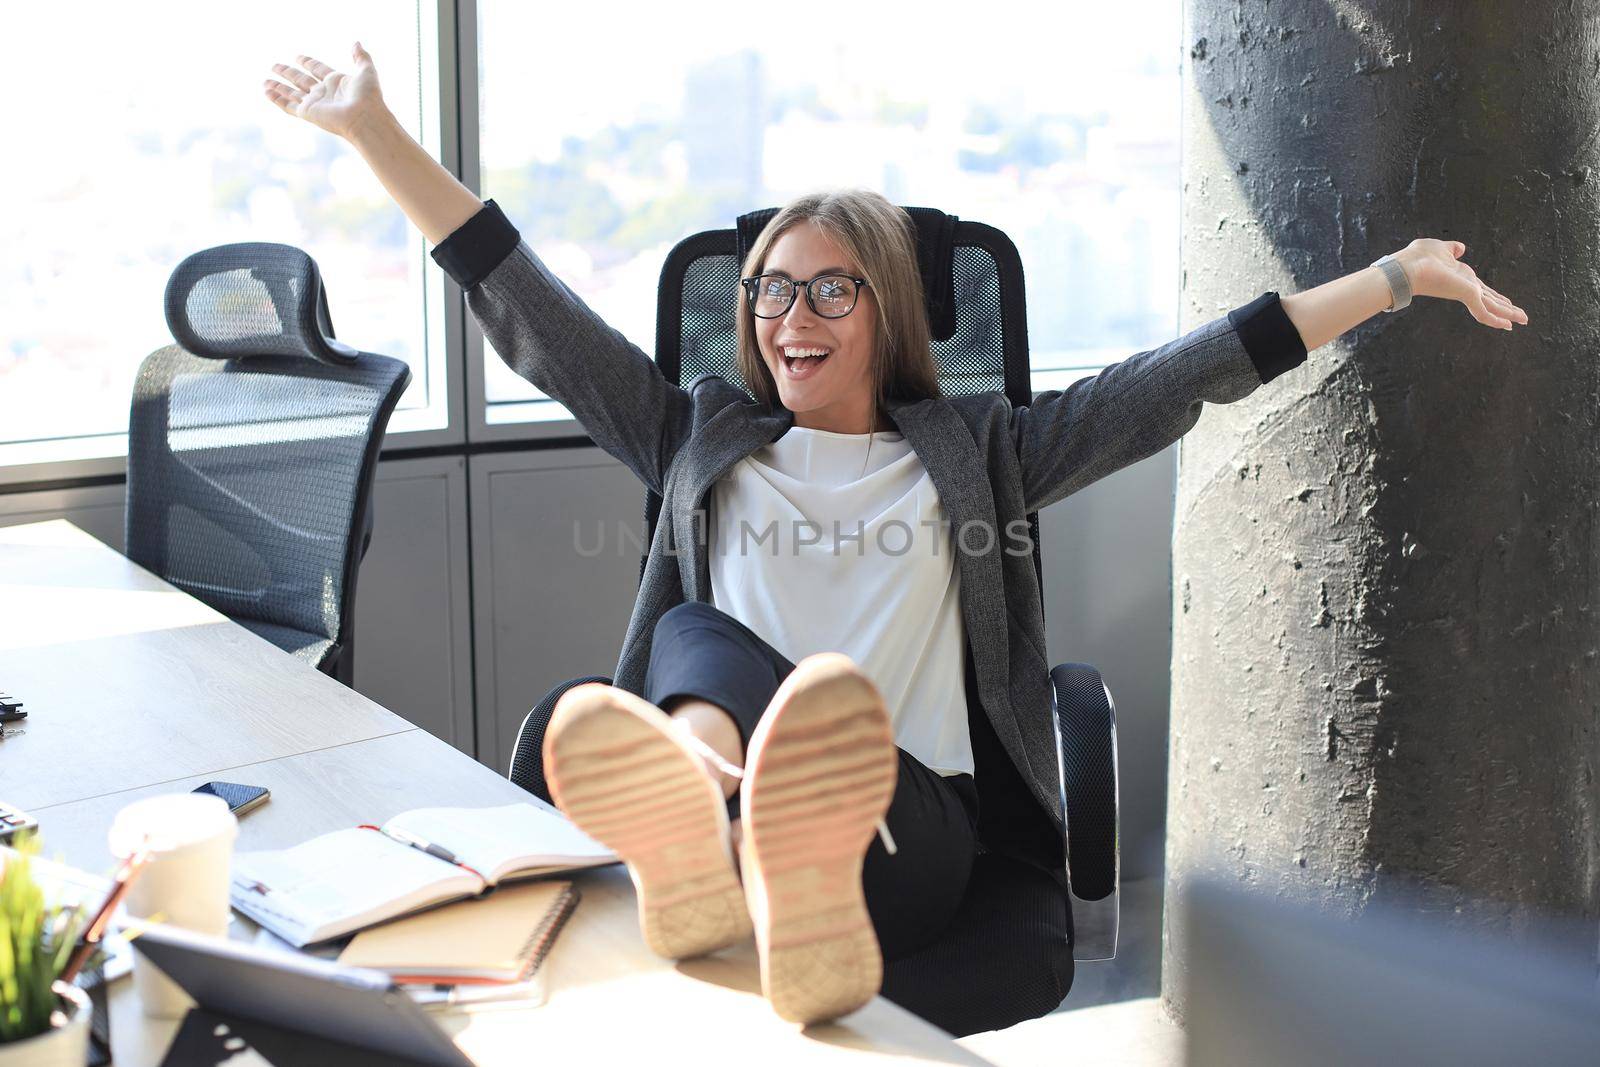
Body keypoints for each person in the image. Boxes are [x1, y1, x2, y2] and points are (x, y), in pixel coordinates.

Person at [263, 43, 1529, 1026]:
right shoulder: (694, 435)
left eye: (826, 287)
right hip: (740, 821)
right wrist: (373, 128)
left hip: (908, 835)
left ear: (886, 312)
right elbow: (522, 302)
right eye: (767, 288)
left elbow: (1178, 378)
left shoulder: (980, 455)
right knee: (651, 662)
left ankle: (741, 824)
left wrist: (1390, 279)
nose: (786, 315)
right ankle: (713, 804)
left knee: (807, 708)